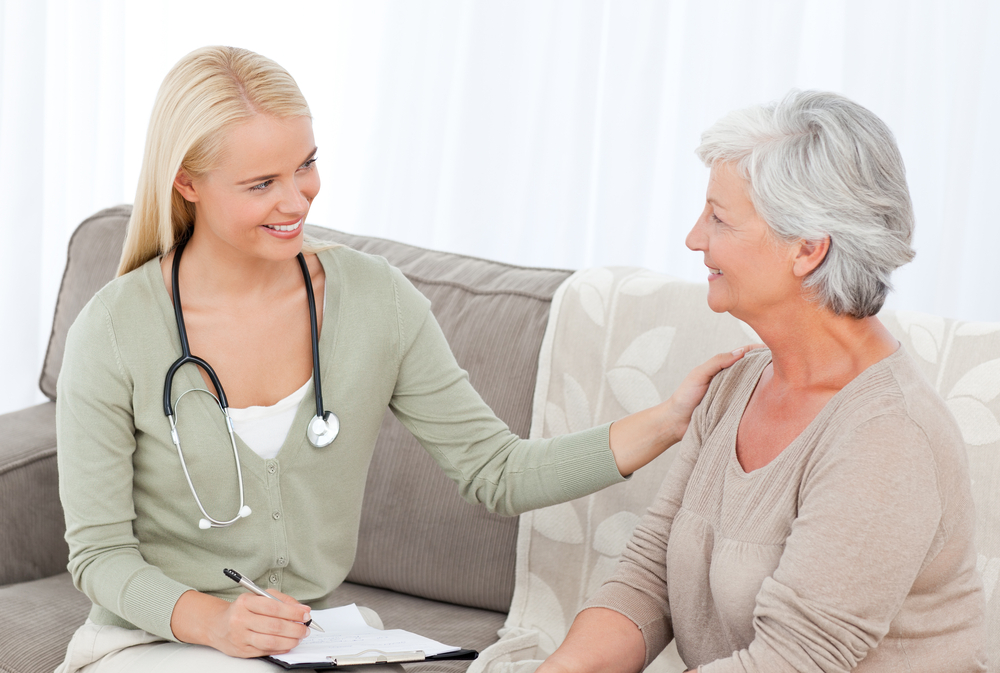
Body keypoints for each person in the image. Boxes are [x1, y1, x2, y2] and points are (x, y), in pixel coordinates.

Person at [54, 46, 751, 672]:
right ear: (186, 183)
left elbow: (495, 471)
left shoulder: (373, 300)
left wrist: (666, 421)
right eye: (261, 183)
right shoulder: (114, 331)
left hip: (306, 644)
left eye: (307, 164)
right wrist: (214, 621)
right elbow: (98, 555)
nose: (297, 199)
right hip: (150, 642)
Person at [538, 90, 987, 673]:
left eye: (719, 219)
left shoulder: (889, 437)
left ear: (807, 249)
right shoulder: (736, 386)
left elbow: (793, 660)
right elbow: (646, 582)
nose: (694, 239)